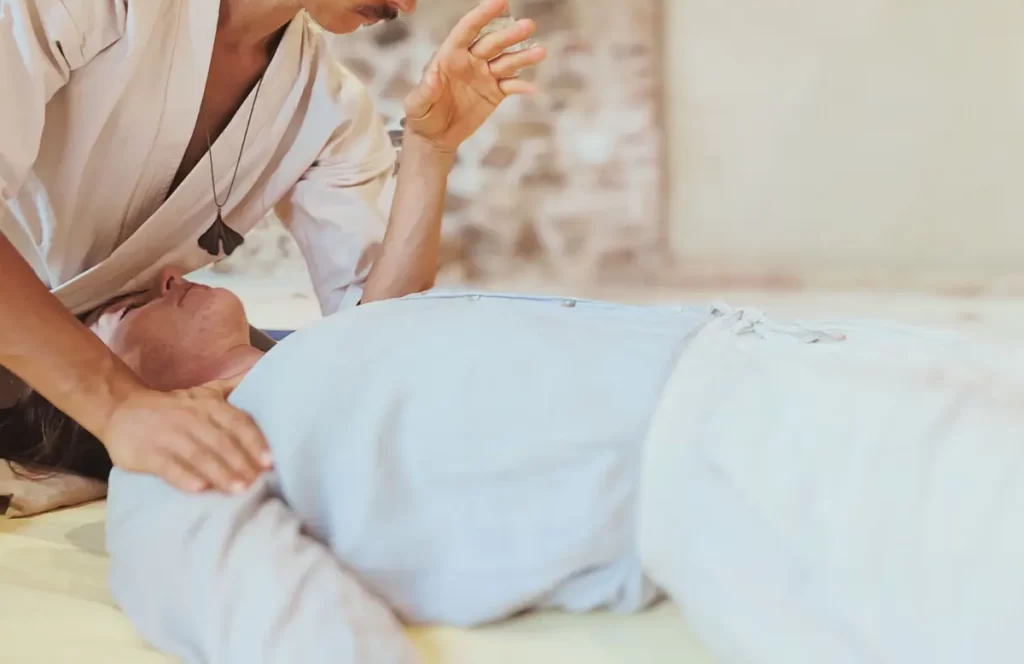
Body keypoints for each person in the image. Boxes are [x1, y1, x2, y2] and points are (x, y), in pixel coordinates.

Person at [0, 0, 545, 497]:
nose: (408, 0)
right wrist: (121, 408)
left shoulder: (328, 107)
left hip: (75, 388)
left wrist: (430, 155)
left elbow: (371, 346)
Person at [12, 275, 1024, 664]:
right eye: (127, 301)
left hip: (811, 354)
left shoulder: (306, 352)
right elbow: (277, 621)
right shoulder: (169, 454)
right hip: (731, 448)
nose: (172, 272)